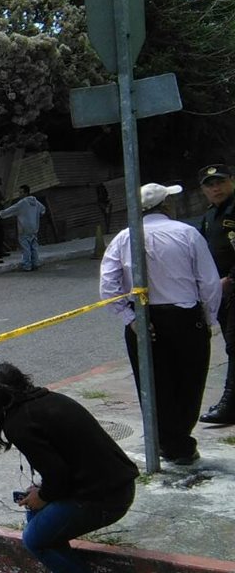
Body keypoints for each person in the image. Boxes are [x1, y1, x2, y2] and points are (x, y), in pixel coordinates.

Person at [0, 363, 138, 573]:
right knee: (35, 517)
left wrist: (43, 495)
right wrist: (41, 494)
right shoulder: (49, 399)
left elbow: (58, 476)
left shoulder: (19, 422)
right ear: (24, 380)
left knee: (35, 539)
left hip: (104, 498)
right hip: (116, 487)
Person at [99, 182, 221, 465]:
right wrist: (208, 318)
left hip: (143, 318)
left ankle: (167, 439)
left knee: (153, 384)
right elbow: (209, 283)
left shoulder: (123, 238)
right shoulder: (187, 233)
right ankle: (179, 441)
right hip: (185, 318)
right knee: (188, 383)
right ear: (166, 206)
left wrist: (130, 319)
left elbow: (108, 287)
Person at [197, 163, 235, 424]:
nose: (216, 188)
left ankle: (230, 404)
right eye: (209, 185)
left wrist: (231, 279)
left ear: (232, 181)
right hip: (221, 292)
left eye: (220, 182)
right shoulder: (210, 215)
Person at [0, 185, 47, 271]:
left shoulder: (22, 203)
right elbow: (43, 210)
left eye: (21, 192)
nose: (19, 194)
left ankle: (27, 266)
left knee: (26, 248)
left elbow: (11, 210)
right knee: (34, 247)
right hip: (34, 228)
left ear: (26, 193)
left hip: (24, 229)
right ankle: (35, 263)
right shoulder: (36, 202)